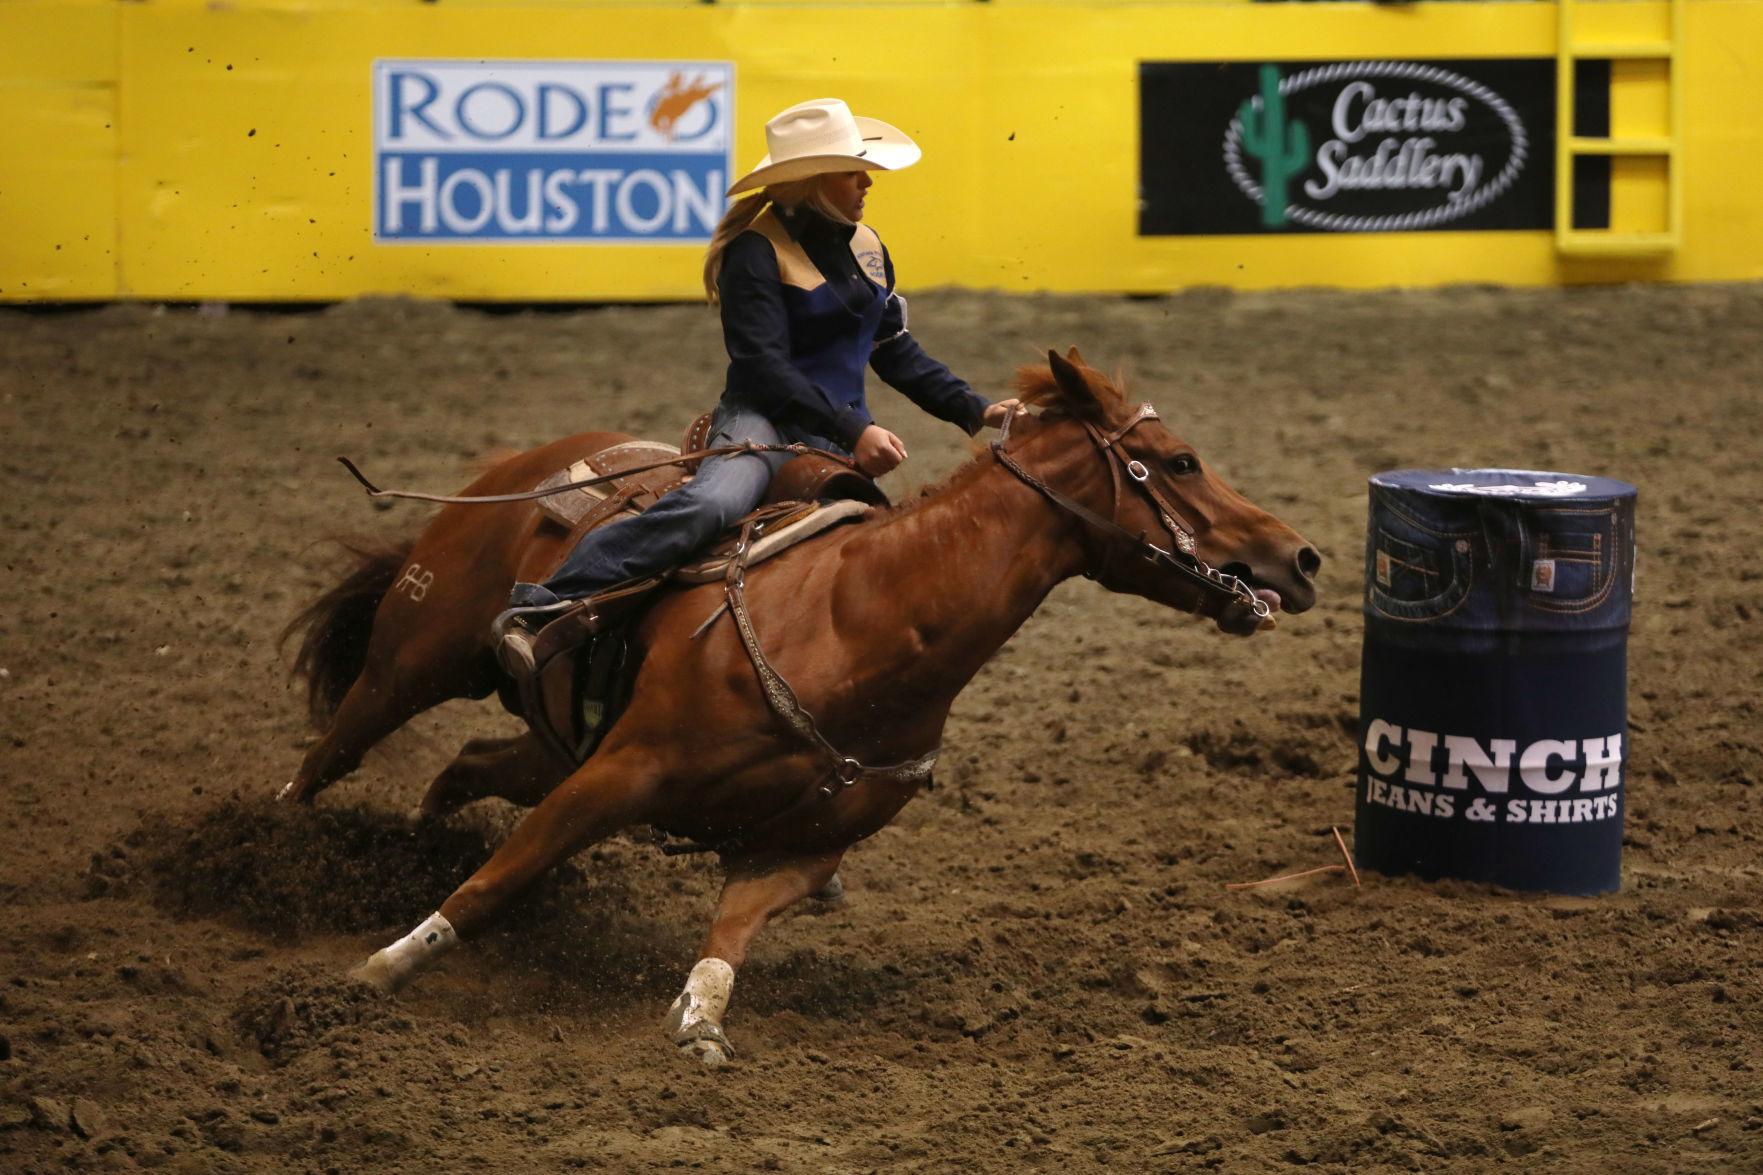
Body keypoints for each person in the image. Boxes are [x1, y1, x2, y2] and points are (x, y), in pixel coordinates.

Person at [497, 97, 1020, 670]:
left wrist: (978, 409)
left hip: (837, 434)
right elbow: (764, 367)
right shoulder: (755, 252)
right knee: (713, 503)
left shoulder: (867, 246)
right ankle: (547, 605)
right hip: (762, 420)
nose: (867, 181)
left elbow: (893, 348)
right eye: (853, 170)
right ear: (814, 181)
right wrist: (856, 426)